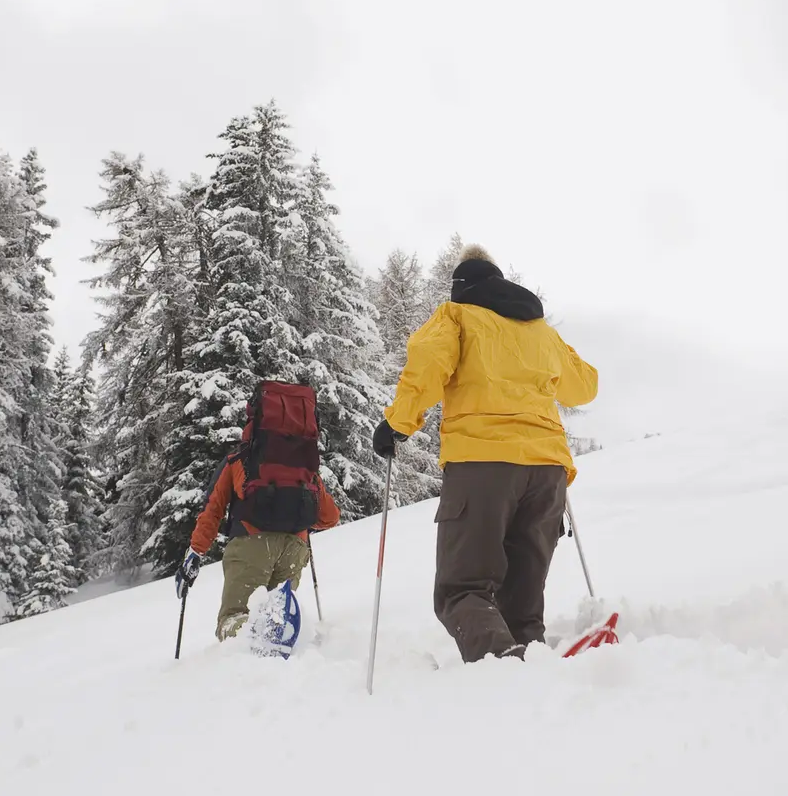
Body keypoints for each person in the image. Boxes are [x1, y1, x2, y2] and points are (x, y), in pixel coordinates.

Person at [372, 244, 598, 662]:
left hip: (484, 464)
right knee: (522, 604)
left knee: (462, 590)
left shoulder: (457, 316)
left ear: (460, 282)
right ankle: (531, 672)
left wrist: (397, 424)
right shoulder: (541, 331)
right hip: (547, 473)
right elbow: (584, 386)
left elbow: (428, 367)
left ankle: (503, 668)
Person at [176, 382, 341, 641]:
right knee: (276, 616)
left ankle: (252, 639)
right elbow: (330, 517)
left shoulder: (240, 460)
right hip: (295, 549)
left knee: (234, 617)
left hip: (251, 542)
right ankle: (281, 645)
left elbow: (212, 510)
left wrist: (195, 552)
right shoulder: (305, 469)